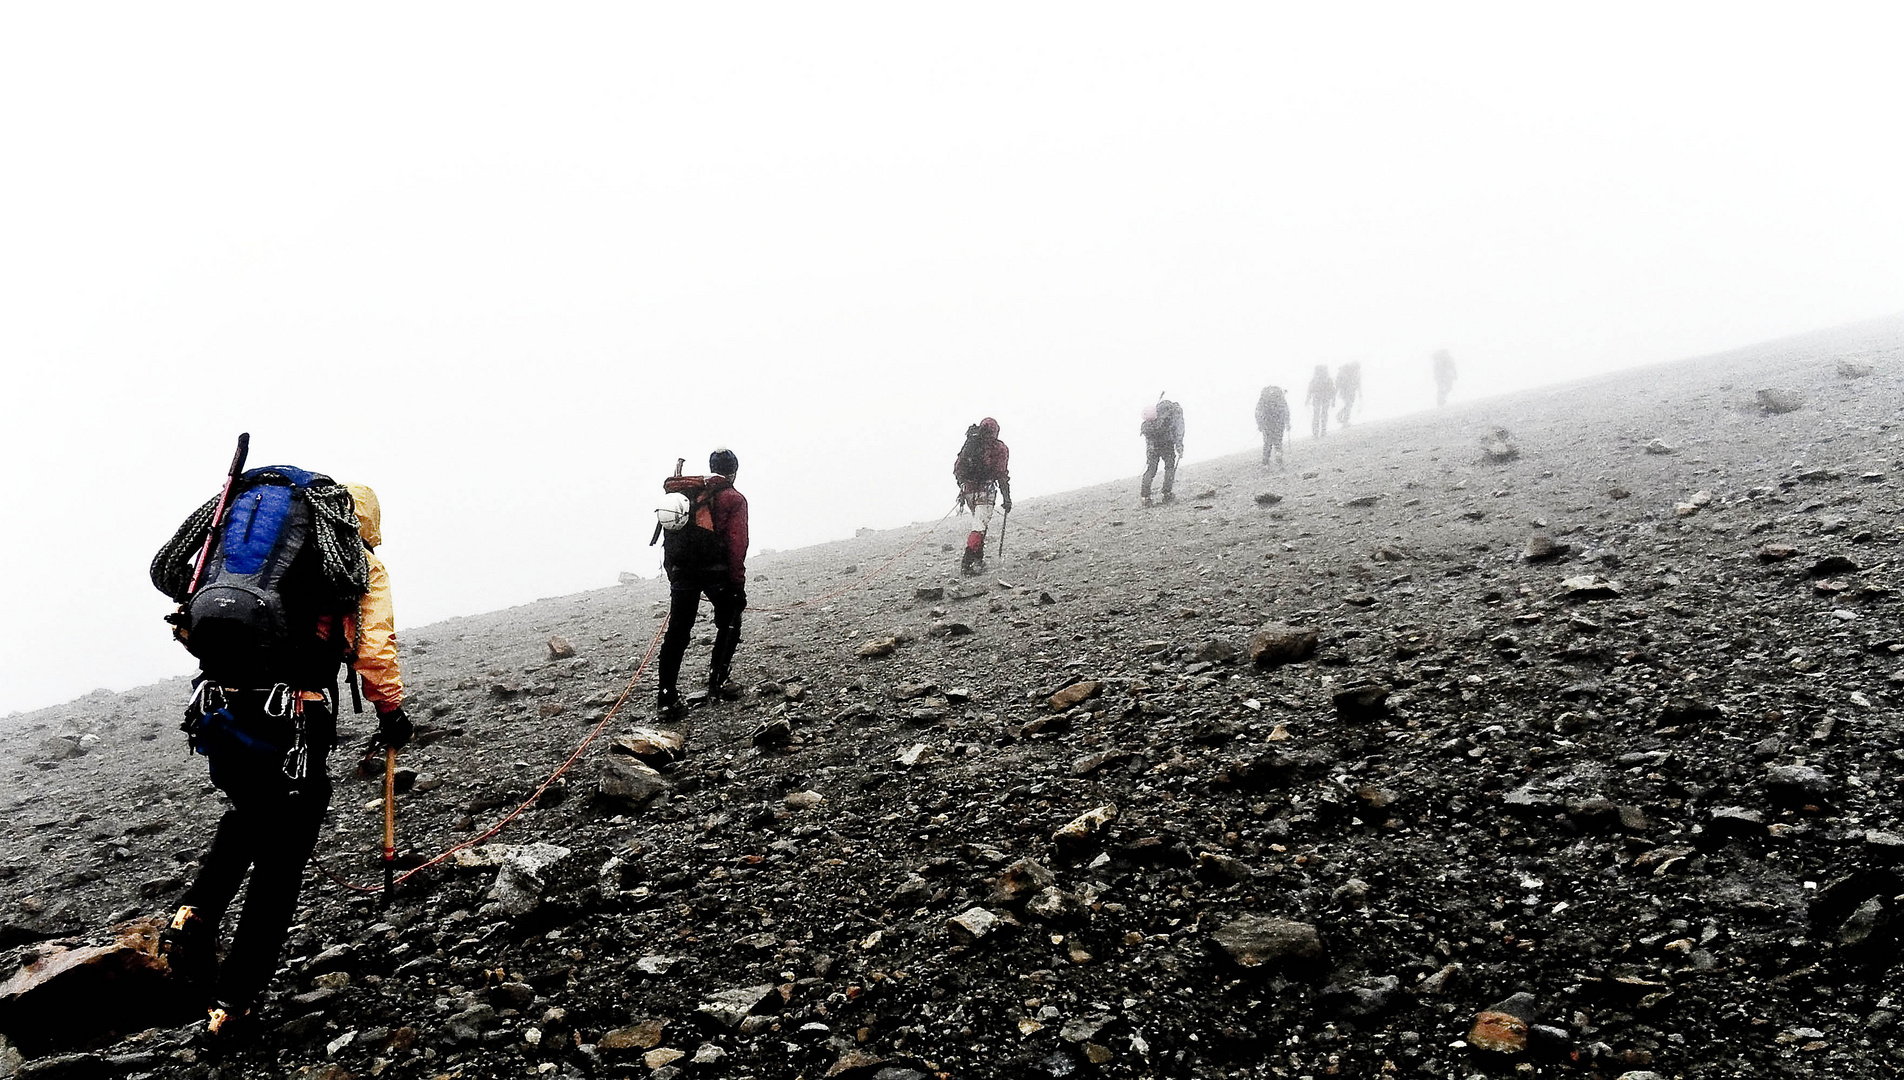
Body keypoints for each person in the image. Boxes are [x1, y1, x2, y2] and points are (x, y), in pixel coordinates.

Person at [151, 475, 409, 1039]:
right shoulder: (354, 559)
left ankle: (192, 917)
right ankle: (234, 1002)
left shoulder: (246, 557)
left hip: (222, 704)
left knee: (249, 811)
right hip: (297, 711)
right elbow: (373, 644)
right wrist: (390, 710)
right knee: (283, 855)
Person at [657, 448, 750, 718]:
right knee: (729, 621)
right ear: (734, 470)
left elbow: (669, 541)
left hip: (682, 571)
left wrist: (675, 576)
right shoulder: (733, 499)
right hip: (716, 571)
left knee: (677, 632)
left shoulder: (685, 496)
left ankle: (666, 697)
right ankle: (718, 683)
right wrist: (737, 585)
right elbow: (737, 545)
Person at [952, 418, 1012, 574]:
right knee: (979, 526)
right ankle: (968, 563)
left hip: (968, 491)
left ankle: (978, 559)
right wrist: (1007, 497)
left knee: (979, 524)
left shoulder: (971, 444)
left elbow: (958, 468)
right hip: (986, 490)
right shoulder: (998, 448)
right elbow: (1001, 473)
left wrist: (963, 487)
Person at [1138, 397, 1185, 506]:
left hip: (1152, 447)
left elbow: (1148, 438)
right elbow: (1179, 431)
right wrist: (1179, 446)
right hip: (1167, 445)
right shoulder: (1173, 415)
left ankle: (1145, 497)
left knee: (1151, 470)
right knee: (1169, 468)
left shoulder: (1149, 423)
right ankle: (1167, 494)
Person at [1254, 385, 1289, 466]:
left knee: (1267, 443)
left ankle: (1265, 464)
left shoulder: (1263, 399)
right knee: (1278, 441)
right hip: (1279, 422)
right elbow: (1286, 410)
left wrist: (1259, 424)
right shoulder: (1280, 398)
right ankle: (1279, 459)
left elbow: (1258, 412)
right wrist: (1287, 422)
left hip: (1267, 423)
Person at [1305, 365, 1336, 439]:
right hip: (1326, 398)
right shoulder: (1328, 379)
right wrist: (1333, 401)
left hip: (1317, 399)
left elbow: (1310, 390)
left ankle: (1315, 433)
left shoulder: (1315, 379)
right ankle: (1323, 431)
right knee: (1324, 415)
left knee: (1316, 415)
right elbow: (1333, 390)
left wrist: (1307, 399)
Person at [1335, 361, 1362, 425]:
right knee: (1349, 404)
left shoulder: (1357, 373)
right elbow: (1339, 382)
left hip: (1351, 391)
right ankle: (1344, 420)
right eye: (1355, 368)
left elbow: (1358, 383)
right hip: (1345, 391)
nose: (1356, 370)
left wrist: (1360, 393)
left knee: (1349, 405)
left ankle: (1341, 417)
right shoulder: (1344, 372)